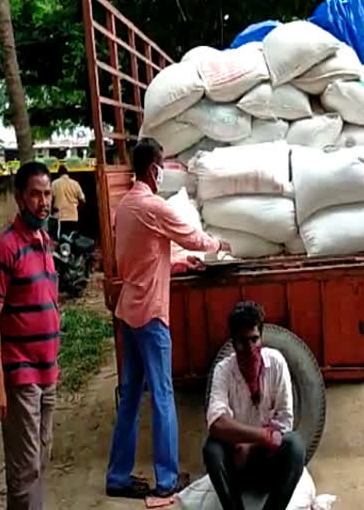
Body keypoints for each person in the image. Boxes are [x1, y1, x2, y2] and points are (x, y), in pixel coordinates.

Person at [106, 138, 231, 499]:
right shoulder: (153, 206)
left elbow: (147, 251)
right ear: (152, 169)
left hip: (129, 310)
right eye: (161, 166)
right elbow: (191, 237)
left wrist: (173, 262)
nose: (162, 173)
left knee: (130, 396)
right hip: (150, 313)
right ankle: (166, 479)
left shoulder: (126, 207)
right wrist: (218, 244)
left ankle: (118, 476)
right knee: (162, 395)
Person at [0, 161, 60, 510]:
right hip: (20, 372)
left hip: (48, 372)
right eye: (35, 195)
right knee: (24, 467)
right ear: (19, 198)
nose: (43, 202)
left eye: (47, 194)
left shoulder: (44, 240)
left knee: (40, 460)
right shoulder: (5, 247)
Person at [204, 301, 306, 510]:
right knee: (212, 449)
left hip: (265, 461)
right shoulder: (223, 370)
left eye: (254, 339)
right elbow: (216, 424)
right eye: (242, 341)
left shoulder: (276, 363)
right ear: (233, 343)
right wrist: (261, 436)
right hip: (237, 465)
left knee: (295, 446)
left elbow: (284, 424)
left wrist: (251, 444)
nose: (250, 349)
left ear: (261, 338)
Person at [51, 164, 85, 237]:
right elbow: (82, 200)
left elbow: (50, 199)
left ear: (58, 174)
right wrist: (77, 208)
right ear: (67, 173)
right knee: (72, 237)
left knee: (60, 238)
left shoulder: (54, 184)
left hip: (59, 217)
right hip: (73, 216)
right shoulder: (75, 183)